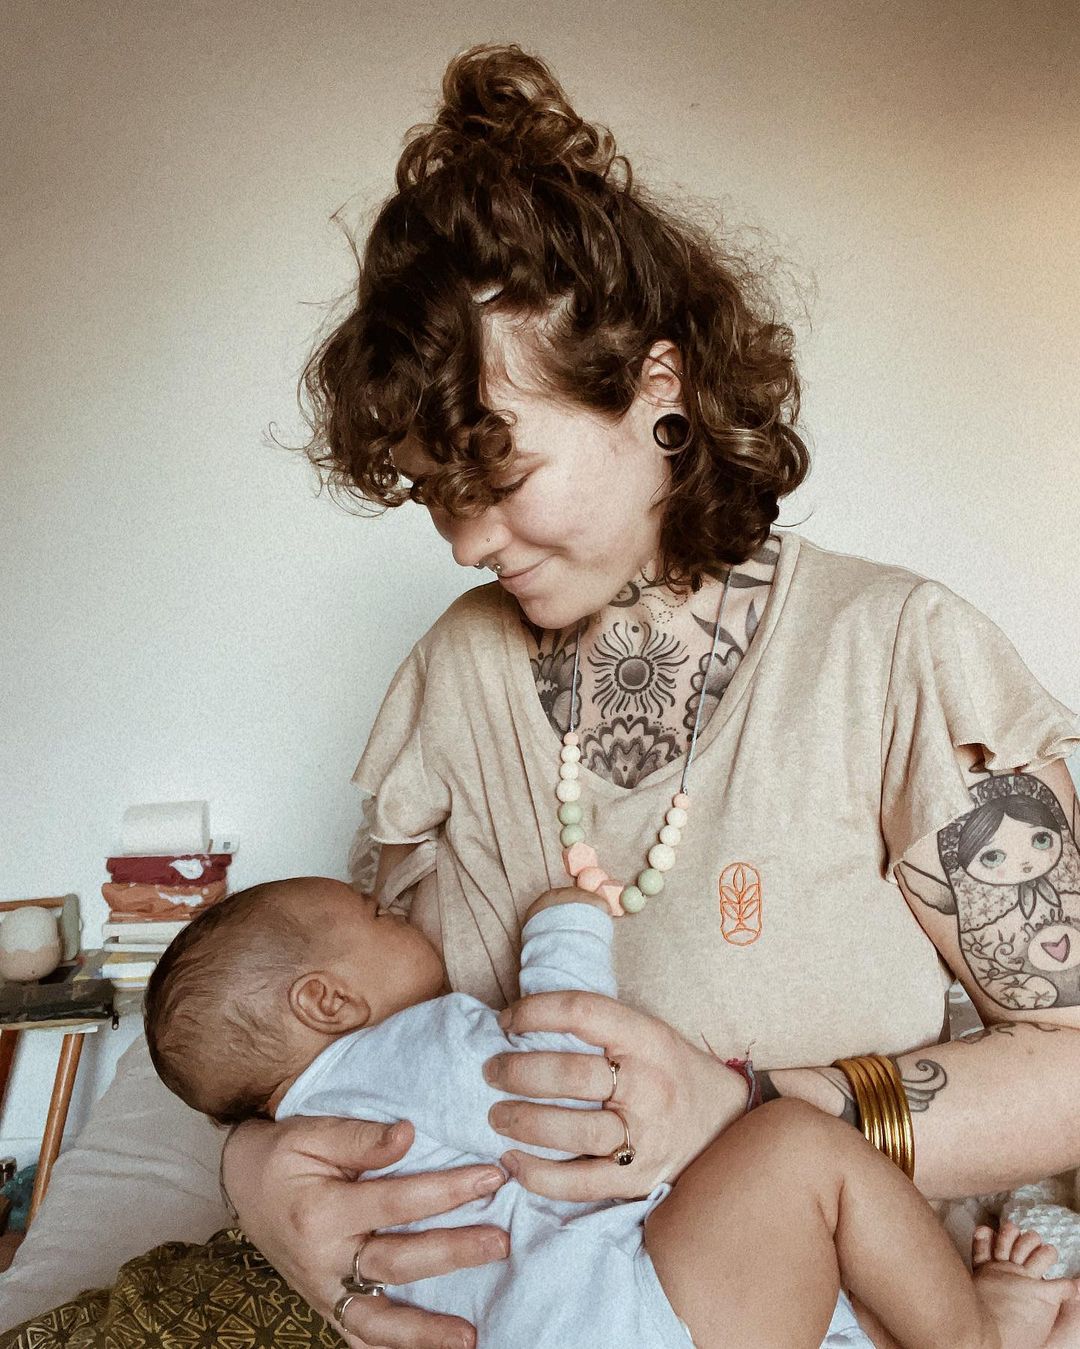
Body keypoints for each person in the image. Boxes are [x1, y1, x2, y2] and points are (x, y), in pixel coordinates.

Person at [4, 39, 1079, 1349]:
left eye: (498, 478)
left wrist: (749, 1105)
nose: (465, 542)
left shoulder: (896, 652)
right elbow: (346, 1028)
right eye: (434, 493)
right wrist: (261, 1171)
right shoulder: (455, 673)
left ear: (661, 395)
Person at [143, 875, 1079, 1349]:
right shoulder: (398, 1055)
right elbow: (564, 1074)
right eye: (380, 913)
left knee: (819, 1267)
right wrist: (567, 924)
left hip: (583, 1315)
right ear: (326, 1000)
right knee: (797, 1146)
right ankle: (977, 1334)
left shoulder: (314, 1130)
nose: (408, 913)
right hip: (617, 1313)